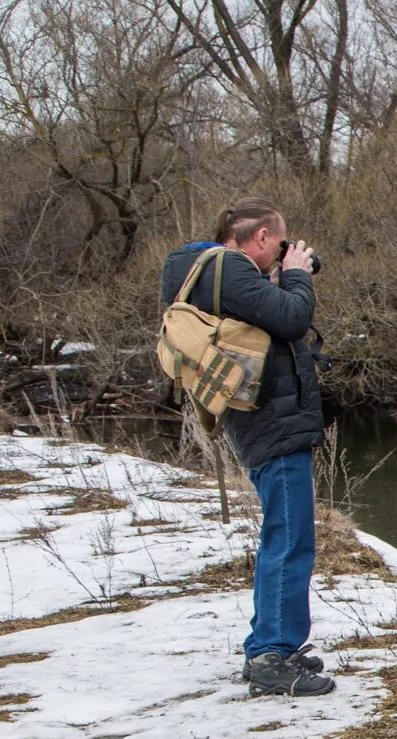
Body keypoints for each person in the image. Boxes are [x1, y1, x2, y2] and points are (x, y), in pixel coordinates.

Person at [161, 196, 332, 696]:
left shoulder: (207, 272)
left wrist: (276, 280)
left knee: (285, 534)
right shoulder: (228, 268)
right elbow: (293, 318)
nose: (283, 252)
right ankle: (271, 657)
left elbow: (267, 318)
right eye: (279, 244)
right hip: (272, 426)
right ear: (260, 238)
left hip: (266, 422)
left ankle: (272, 644)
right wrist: (296, 275)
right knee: (289, 537)